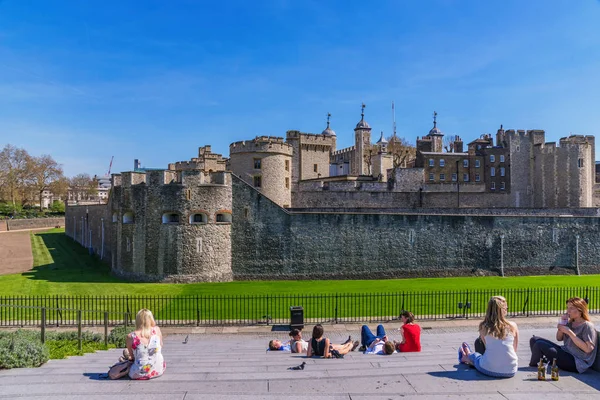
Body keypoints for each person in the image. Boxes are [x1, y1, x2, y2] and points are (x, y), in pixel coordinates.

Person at [529, 297, 597, 373]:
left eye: (571, 308)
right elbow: (559, 338)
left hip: (577, 362)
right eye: (567, 308)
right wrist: (561, 326)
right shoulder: (570, 323)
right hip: (566, 352)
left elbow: (588, 349)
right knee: (534, 339)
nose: (568, 311)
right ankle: (542, 363)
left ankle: (534, 366)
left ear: (580, 310)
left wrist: (570, 333)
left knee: (539, 344)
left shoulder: (587, 326)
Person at [458, 296, 518, 378]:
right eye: (506, 308)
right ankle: (467, 357)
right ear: (502, 310)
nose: (507, 309)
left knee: (476, 356)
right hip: (511, 370)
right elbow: (514, 350)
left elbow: (487, 348)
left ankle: (466, 356)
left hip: (490, 370)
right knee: (481, 359)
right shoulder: (513, 326)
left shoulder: (483, 326)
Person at [126, 309, 165, 380]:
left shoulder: (131, 336)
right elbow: (161, 345)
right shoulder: (156, 330)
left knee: (128, 358)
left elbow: (132, 357)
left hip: (138, 373)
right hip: (158, 369)